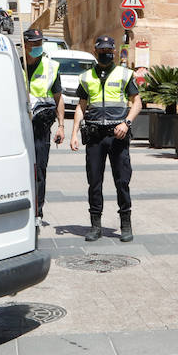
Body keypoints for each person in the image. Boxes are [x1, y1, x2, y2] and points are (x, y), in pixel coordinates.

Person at [71, 35, 142, 243]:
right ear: (96, 52)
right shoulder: (86, 77)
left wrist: (126, 123)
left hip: (118, 135)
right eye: (102, 51)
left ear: (114, 51)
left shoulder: (124, 74)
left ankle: (125, 224)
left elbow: (137, 103)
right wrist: (74, 133)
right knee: (94, 182)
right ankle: (95, 226)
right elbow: (81, 106)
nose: (105, 54)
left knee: (122, 181)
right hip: (95, 136)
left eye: (108, 50)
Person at [22, 28, 64, 227]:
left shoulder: (50, 67)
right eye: (34, 43)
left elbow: (58, 98)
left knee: (39, 169)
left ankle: (37, 213)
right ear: (25, 45)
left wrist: (61, 125)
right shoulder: (16, 64)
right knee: (19, 168)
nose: (38, 47)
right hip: (19, 127)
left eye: (40, 43)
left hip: (40, 127)